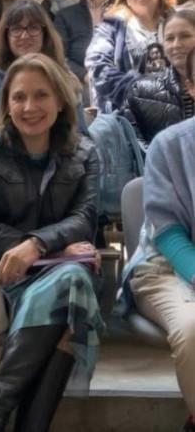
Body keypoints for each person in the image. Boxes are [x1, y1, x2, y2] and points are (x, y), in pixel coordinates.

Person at [0, 52, 102, 432]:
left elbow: (85, 219)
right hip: (1, 275)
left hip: (60, 271)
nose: (29, 107)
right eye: (19, 97)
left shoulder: (86, 151)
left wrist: (37, 248)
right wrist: (49, 249)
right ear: (6, 104)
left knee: (72, 282)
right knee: (72, 292)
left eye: (41, 95)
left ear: (60, 100)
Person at [122, 99, 195, 432]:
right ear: (191, 86)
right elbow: (168, 232)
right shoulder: (170, 145)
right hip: (166, 267)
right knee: (193, 330)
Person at [0, 0, 76, 135]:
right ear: (6, 36)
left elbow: (81, 135)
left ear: (45, 34)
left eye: (33, 27)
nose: (24, 36)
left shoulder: (64, 78)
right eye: (16, 29)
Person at [86, 0, 177, 112]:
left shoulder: (182, 22)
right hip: (129, 117)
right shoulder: (110, 28)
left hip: (181, 114)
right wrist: (142, 92)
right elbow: (98, 69)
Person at [124, 9, 195, 147]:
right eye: (169, 38)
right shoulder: (140, 91)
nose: (176, 45)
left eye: (185, 36)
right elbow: (134, 144)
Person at [53, 0, 115, 103]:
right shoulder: (65, 16)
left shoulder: (124, 14)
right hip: (80, 85)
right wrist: (84, 75)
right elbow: (58, 55)